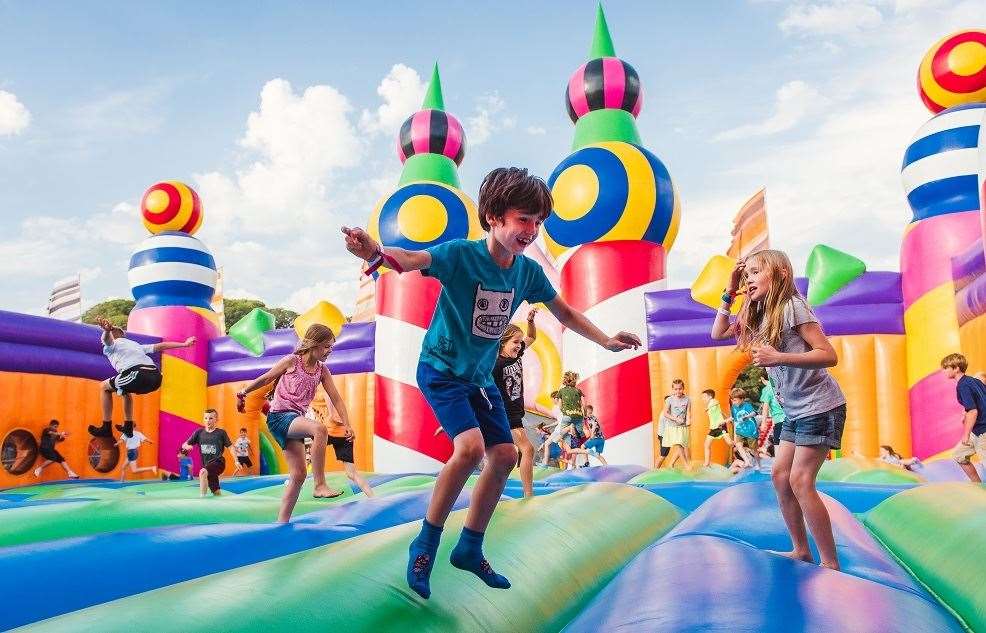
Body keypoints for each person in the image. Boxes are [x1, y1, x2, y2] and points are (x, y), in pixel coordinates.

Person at [342, 166, 640, 600]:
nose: (532, 230)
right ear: (495, 217)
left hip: (480, 378)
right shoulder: (462, 255)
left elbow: (567, 314)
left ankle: (470, 547)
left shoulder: (526, 274)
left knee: (504, 454)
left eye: (538, 222)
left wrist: (608, 341)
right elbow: (412, 260)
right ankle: (425, 543)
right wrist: (375, 252)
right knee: (469, 448)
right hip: (442, 369)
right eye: (524, 219)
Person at [712, 251, 845, 570]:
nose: (750, 279)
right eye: (747, 275)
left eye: (756, 272)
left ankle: (830, 562)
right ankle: (801, 549)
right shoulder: (757, 314)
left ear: (781, 274)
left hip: (820, 405)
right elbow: (717, 333)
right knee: (780, 476)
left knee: (800, 480)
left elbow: (828, 355)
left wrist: (779, 358)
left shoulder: (792, 307)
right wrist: (730, 291)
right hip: (796, 410)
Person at [235, 323, 356, 520]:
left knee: (299, 475)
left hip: (294, 422)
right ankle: (319, 485)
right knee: (319, 429)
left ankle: (281, 523)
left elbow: (336, 398)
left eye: (331, 347)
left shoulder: (321, 371)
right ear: (314, 344)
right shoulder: (292, 361)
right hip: (279, 417)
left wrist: (347, 423)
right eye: (326, 346)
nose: (329, 351)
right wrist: (243, 392)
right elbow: (266, 378)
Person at [89, 318, 195, 439]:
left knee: (104, 387)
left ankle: (106, 427)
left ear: (115, 335)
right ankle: (128, 426)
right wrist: (184, 344)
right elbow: (161, 346)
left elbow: (107, 341)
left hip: (138, 374)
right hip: (156, 377)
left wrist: (107, 331)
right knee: (124, 389)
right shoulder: (136, 345)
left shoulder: (113, 345)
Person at [492, 308, 538, 497]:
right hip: (505, 412)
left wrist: (530, 321)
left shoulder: (516, 355)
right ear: (503, 343)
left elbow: (532, 337)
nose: (520, 346)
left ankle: (496, 488)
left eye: (520, 342)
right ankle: (528, 493)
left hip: (515, 412)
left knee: (506, 454)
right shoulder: (496, 364)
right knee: (527, 449)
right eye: (515, 342)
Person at [311, 404, 375, 497]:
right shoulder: (311, 395)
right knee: (351, 473)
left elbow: (332, 408)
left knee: (309, 445)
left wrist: (336, 419)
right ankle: (372, 496)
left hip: (329, 432)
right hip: (343, 435)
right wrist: (346, 426)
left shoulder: (320, 392)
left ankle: (309, 479)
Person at [942, 353, 986, 483]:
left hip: (982, 431)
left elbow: (973, 411)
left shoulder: (963, 385)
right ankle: (977, 485)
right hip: (977, 431)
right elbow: (977, 403)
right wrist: (965, 413)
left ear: (956, 368)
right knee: (959, 455)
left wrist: (965, 435)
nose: (943, 371)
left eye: (946, 368)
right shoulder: (974, 381)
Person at [182, 409, 236, 497]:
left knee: (202, 472)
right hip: (208, 466)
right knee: (216, 492)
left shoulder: (221, 433)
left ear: (216, 419)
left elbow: (230, 447)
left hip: (219, 462)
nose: (208, 421)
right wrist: (188, 446)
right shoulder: (199, 433)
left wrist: (236, 460)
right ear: (203, 419)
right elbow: (184, 445)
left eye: (211, 418)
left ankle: (202, 500)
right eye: (206, 418)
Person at [660, 379, 691, 469]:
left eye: (680, 389)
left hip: (683, 427)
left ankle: (671, 463)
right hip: (673, 426)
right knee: (678, 444)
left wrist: (688, 420)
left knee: (681, 445)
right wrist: (675, 419)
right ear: (673, 389)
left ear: (683, 388)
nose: (678, 391)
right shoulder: (669, 400)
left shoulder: (688, 399)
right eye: (676, 389)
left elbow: (688, 412)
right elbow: (665, 413)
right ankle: (686, 465)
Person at [729, 388, 760, 470]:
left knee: (754, 450)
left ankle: (758, 464)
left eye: (735, 400)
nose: (734, 402)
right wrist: (725, 421)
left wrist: (747, 416)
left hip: (750, 431)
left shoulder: (747, 405)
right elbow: (733, 418)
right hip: (740, 430)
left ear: (742, 399)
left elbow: (754, 413)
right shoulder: (733, 407)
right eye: (732, 400)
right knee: (738, 445)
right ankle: (747, 462)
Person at [701, 390, 733, 468]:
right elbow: (720, 411)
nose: (703, 398)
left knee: (730, 443)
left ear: (710, 397)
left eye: (704, 397)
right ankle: (707, 463)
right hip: (713, 428)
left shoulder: (713, 401)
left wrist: (708, 407)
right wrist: (727, 418)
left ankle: (742, 448)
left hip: (720, 426)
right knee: (706, 445)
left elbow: (716, 402)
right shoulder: (712, 405)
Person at [760, 375, 785, 449]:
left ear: (762, 378)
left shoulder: (767, 388)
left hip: (779, 420)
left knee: (778, 447)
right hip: (792, 418)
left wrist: (763, 423)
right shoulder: (783, 383)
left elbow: (765, 406)